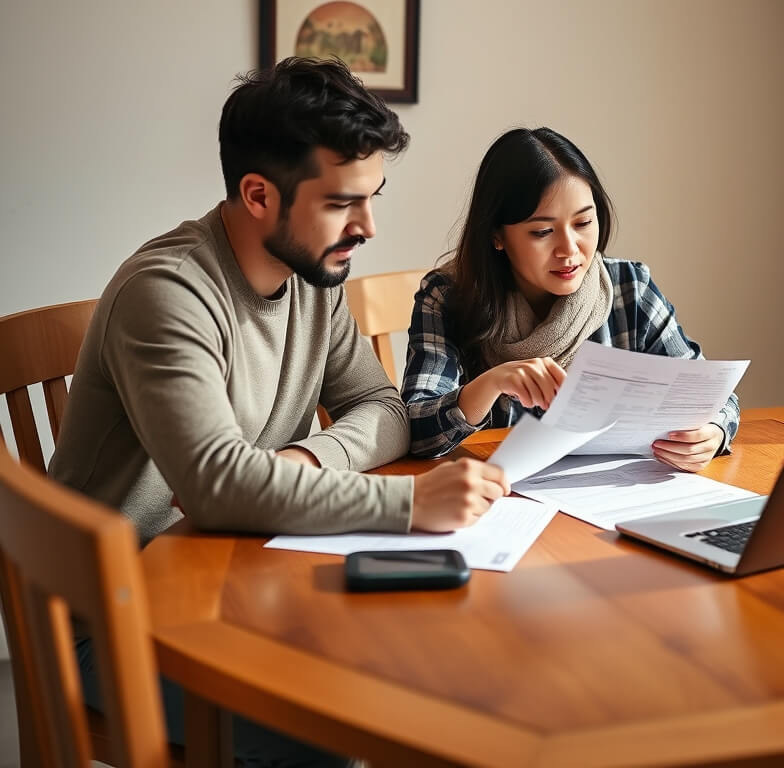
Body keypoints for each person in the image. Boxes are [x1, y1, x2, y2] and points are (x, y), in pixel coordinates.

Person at [50, 58, 507, 766]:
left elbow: (380, 406)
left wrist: (304, 458)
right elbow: (217, 487)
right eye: (342, 203)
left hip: (244, 575)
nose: (370, 227)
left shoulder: (312, 275)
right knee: (338, 723)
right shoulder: (167, 294)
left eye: (374, 196)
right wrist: (409, 503)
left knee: (444, 668)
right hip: (116, 620)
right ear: (258, 194)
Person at [403, 127, 739, 468]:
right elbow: (417, 430)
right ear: (496, 235)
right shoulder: (448, 297)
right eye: (543, 231)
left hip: (612, 497)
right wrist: (491, 384)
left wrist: (713, 431)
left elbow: (709, 393)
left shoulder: (629, 287)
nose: (569, 250)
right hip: (496, 501)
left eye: (583, 223)